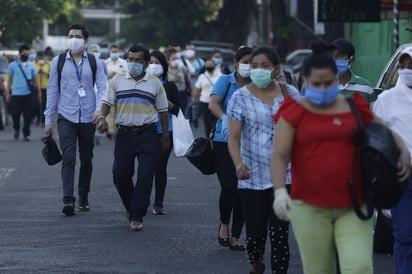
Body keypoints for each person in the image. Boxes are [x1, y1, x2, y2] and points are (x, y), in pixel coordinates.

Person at [270, 42, 410, 274]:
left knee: (359, 267)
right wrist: (279, 191)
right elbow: (279, 154)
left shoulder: (355, 107)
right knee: (319, 269)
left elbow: (384, 129)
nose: (323, 88)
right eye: (317, 84)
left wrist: (403, 151)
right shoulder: (293, 113)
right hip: (309, 207)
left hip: (354, 205)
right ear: (305, 82)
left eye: (329, 82)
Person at [227, 46, 300, 274]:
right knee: (255, 235)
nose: (258, 70)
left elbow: (303, 131)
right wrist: (238, 164)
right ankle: (256, 263)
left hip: (285, 176)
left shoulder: (290, 94)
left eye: (265, 66)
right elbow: (233, 137)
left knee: (280, 235)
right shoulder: (240, 97)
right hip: (252, 175)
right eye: (255, 66)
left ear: (276, 69)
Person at [97, 44, 169, 231]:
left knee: (145, 176)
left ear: (145, 63)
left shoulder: (155, 83)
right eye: (131, 59)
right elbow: (106, 103)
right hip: (125, 134)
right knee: (120, 175)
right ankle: (130, 205)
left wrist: (165, 137)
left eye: (138, 60)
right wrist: (102, 118)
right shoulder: (117, 80)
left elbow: (162, 111)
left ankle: (137, 216)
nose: (133, 63)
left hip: (148, 134)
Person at [44, 24, 107, 216]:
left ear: (86, 40)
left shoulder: (96, 62)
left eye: (77, 36)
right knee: (69, 158)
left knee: (86, 159)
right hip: (66, 116)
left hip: (89, 117)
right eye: (70, 36)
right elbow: (52, 90)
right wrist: (48, 119)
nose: (74, 39)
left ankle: (84, 196)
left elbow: (103, 87)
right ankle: (68, 199)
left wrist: (99, 111)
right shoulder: (58, 61)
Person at [209, 46, 253, 252]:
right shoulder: (225, 81)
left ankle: (236, 236)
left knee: (244, 190)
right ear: (236, 62)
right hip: (224, 140)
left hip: (251, 143)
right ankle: (224, 224)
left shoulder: (258, 85)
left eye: (252, 63)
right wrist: (224, 118)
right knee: (229, 186)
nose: (248, 67)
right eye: (245, 62)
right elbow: (213, 104)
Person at [372, 46, 412, 274]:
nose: (407, 70)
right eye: (403, 66)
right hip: (402, 177)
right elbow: (377, 135)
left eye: (411, 65)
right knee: (405, 235)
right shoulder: (387, 99)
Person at [146, 50, 180, 215]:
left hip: (166, 131)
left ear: (164, 66)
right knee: (146, 167)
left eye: (157, 63)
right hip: (146, 129)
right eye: (150, 62)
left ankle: (158, 202)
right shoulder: (143, 84)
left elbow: (179, 109)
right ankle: (143, 199)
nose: (153, 66)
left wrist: (166, 103)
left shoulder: (170, 85)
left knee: (160, 166)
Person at [5, 44, 41, 141]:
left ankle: (26, 133)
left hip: (28, 94)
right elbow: (9, 80)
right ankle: (16, 129)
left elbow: (35, 79)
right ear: (20, 53)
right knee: (15, 114)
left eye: (28, 54)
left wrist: (39, 92)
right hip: (16, 94)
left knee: (28, 115)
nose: (26, 55)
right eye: (24, 53)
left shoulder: (31, 65)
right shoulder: (13, 65)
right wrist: (8, 93)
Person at [328, 38, 376, 104]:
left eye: (340, 55)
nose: (334, 59)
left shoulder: (365, 87)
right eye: (331, 55)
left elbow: (372, 113)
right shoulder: (321, 86)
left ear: (352, 60)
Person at [192, 58, 221, 137]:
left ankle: (215, 138)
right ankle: (208, 139)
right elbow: (196, 89)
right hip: (205, 103)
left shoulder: (220, 76)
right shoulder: (202, 76)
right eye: (207, 64)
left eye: (210, 64)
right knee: (207, 122)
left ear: (214, 65)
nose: (209, 66)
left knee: (216, 122)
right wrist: (194, 98)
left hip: (217, 103)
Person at [104, 44, 128, 140]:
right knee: (110, 110)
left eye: (116, 52)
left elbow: (127, 73)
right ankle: (110, 130)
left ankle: (118, 129)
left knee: (119, 110)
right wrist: (109, 75)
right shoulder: (105, 62)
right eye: (113, 52)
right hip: (108, 88)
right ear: (110, 52)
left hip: (120, 88)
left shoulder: (123, 62)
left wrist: (117, 74)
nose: (114, 53)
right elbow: (101, 75)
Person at [87, 43, 108, 145]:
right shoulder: (86, 62)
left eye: (96, 51)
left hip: (99, 90)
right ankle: (90, 133)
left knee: (98, 111)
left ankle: (98, 133)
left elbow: (105, 77)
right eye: (93, 51)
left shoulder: (103, 63)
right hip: (89, 90)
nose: (95, 53)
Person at [165, 47, 192, 118]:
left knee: (183, 113)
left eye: (177, 59)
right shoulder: (166, 70)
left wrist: (191, 94)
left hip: (182, 93)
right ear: (169, 60)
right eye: (173, 59)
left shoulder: (183, 69)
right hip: (171, 95)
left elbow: (189, 81)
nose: (175, 61)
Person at [34, 51, 51, 126]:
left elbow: (52, 75)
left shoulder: (48, 64)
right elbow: (31, 74)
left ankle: (43, 120)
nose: (41, 58)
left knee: (44, 104)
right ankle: (38, 118)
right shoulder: (33, 64)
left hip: (45, 86)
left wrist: (44, 73)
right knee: (36, 104)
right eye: (39, 57)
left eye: (42, 57)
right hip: (36, 87)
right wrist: (37, 72)